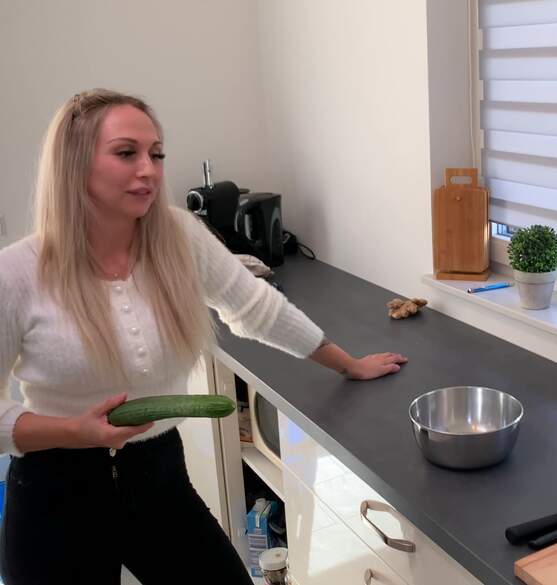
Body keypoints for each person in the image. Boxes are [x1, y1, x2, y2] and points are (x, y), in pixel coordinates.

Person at [0, 89, 408, 584]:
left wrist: (348, 364)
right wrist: (76, 432)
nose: (149, 170)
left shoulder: (177, 236)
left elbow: (256, 307)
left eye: (156, 154)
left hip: (157, 476)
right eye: (126, 153)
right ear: (74, 164)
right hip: (54, 494)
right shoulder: (16, 274)